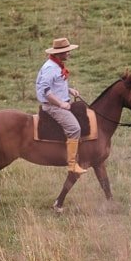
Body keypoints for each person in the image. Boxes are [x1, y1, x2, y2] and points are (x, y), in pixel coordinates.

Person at [36, 37, 86, 176]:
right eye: (67, 51)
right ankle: (72, 164)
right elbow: (46, 91)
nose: (69, 53)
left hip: (58, 102)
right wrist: (61, 104)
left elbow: (55, 84)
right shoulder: (51, 68)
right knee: (75, 128)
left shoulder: (55, 64)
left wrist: (69, 90)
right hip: (53, 106)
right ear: (59, 53)